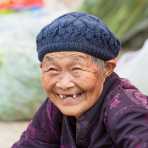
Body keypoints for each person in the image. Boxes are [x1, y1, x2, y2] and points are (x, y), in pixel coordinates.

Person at [12, 12, 148, 148]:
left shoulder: (127, 110)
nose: (64, 84)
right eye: (53, 69)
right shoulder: (57, 105)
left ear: (107, 68)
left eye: (76, 69)